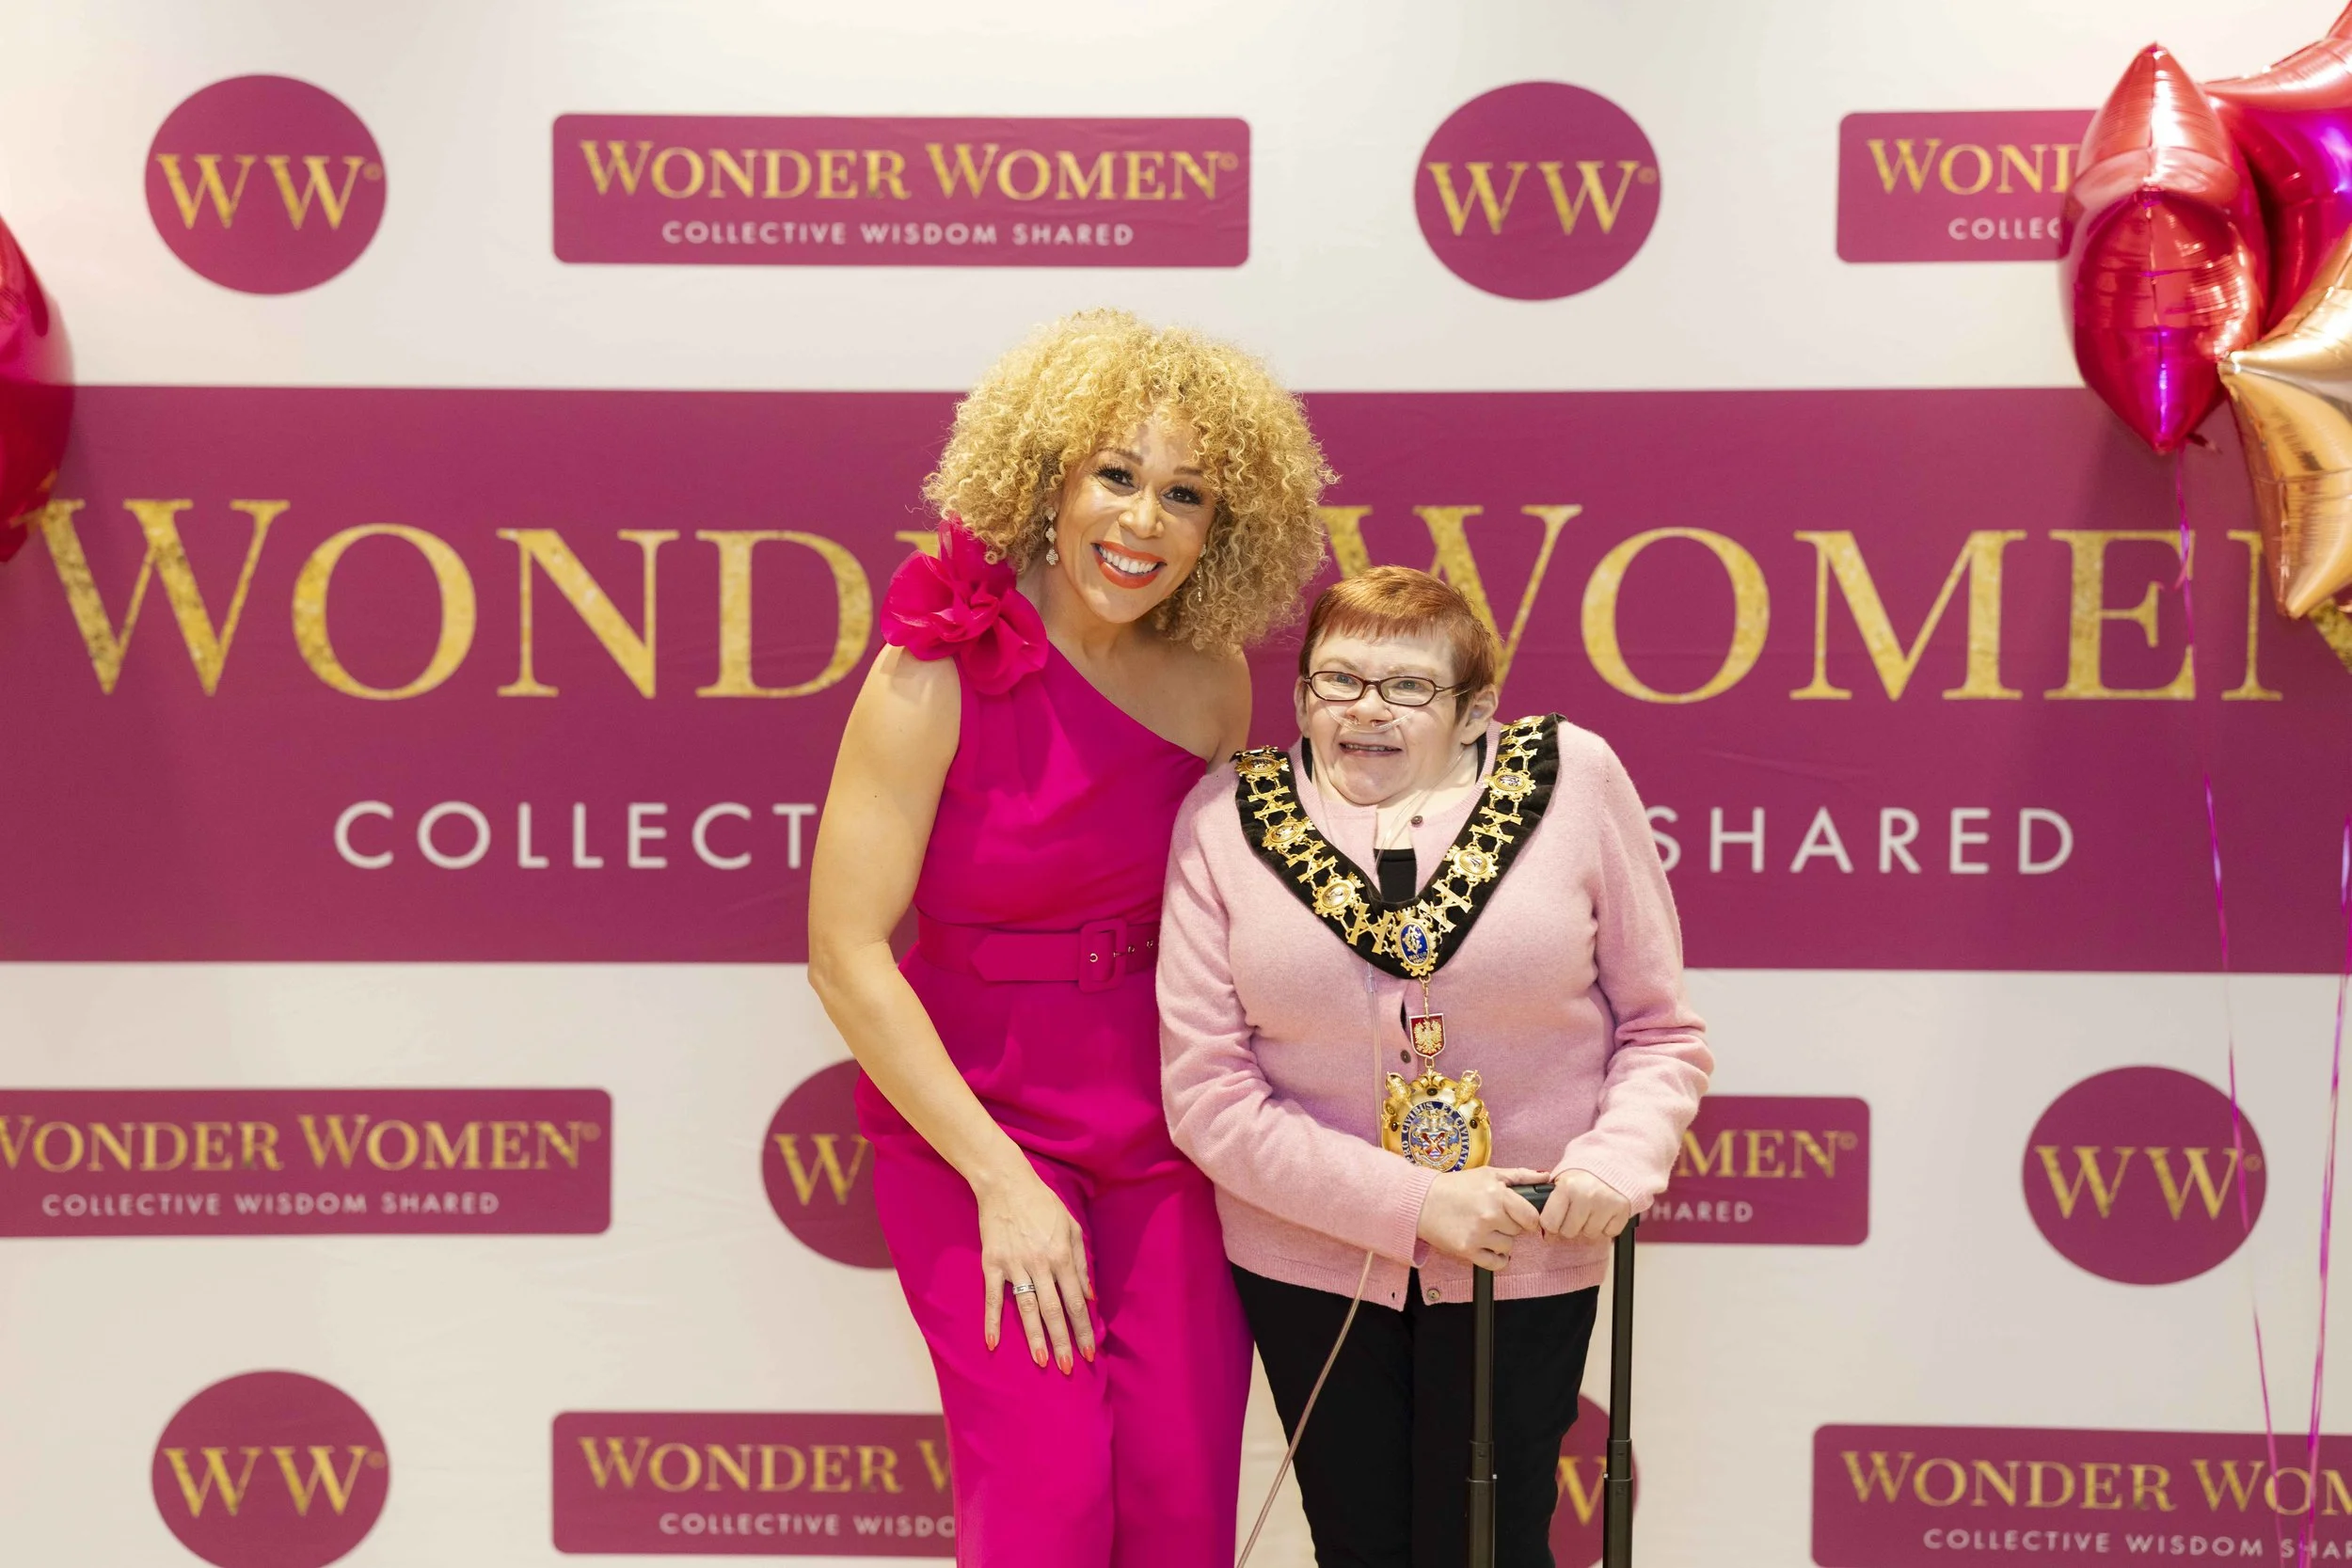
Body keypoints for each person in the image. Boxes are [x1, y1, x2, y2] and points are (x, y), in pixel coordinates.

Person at [807, 309, 1330, 1565]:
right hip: (976, 1127)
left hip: (1168, 1133)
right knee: (1043, 1505)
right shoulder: (933, 669)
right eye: (1118, 475)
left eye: (1186, 493)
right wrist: (1000, 1179)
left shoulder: (1211, 677)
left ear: (1224, 527)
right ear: (1050, 478)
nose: (1143, 521)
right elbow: (847, 950)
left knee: (1181, 1506)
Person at [1159, 566, 1712, 1568]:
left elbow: (1659, 1030)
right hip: (1310, 1255)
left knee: (1489, 1546)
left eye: (1407, 686)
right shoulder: (1222, 820)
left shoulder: (1573, 781)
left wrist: (1614, 1163)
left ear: (1473, 711)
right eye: (1338, 680)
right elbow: (1209, 1093)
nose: (1366, 709)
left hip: (1529, 1244)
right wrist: (1417, 1202)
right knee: (1359, 1543)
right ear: (1299, 698)